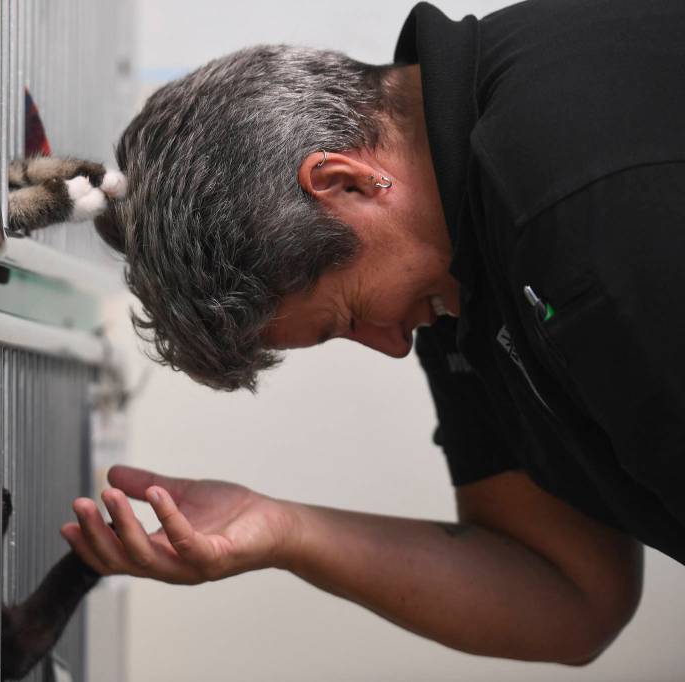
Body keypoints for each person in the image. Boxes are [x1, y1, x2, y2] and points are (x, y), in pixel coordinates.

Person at [62, 0, 685, 664]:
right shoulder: (453, 256)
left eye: (350, 318)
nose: (394, 345)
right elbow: (573, 597)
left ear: (345, 182)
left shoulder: (588, 209)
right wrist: (283, 531)